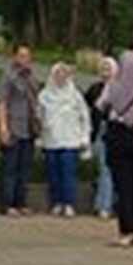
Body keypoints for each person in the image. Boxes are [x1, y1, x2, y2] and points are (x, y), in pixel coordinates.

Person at [96, 51, 133, 248]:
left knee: (124, 187)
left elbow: (100, 105)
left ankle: (125, 231)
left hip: (120, 135)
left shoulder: (113, 86)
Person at [39, 63, 91, 218]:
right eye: (57, 73)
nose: (60, 77)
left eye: (63, 74)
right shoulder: (44, 95)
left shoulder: (75, 95)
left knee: (68, 173)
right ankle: (57, 202)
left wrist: (84, 137)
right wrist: (40, 137)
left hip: (70, 140)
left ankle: (69, 203)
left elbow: (84, 117)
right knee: (53, 174)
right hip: (51, 140)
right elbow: (39, 117)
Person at [0, 44, 39, 217]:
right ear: (14, 57)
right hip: (13, 125)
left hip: (28, 127)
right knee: (10, 168)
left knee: (25, 168)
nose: (25, 59)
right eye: (21, 56)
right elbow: (2, 102)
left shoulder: (31, 77)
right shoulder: (8, 76)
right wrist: (3, 127)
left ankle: (21, 202)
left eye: (27, 56)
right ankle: (7, 204)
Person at [85, 57, 118, 219]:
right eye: (103, 68)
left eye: (108, 68)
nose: (105, 72)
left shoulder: (120, 89)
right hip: (97, 131)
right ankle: (104, 203)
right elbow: (87, 109)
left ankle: (104, 205)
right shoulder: (94, 89)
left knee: (107, 169)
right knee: (103, 169)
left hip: (114, 131)